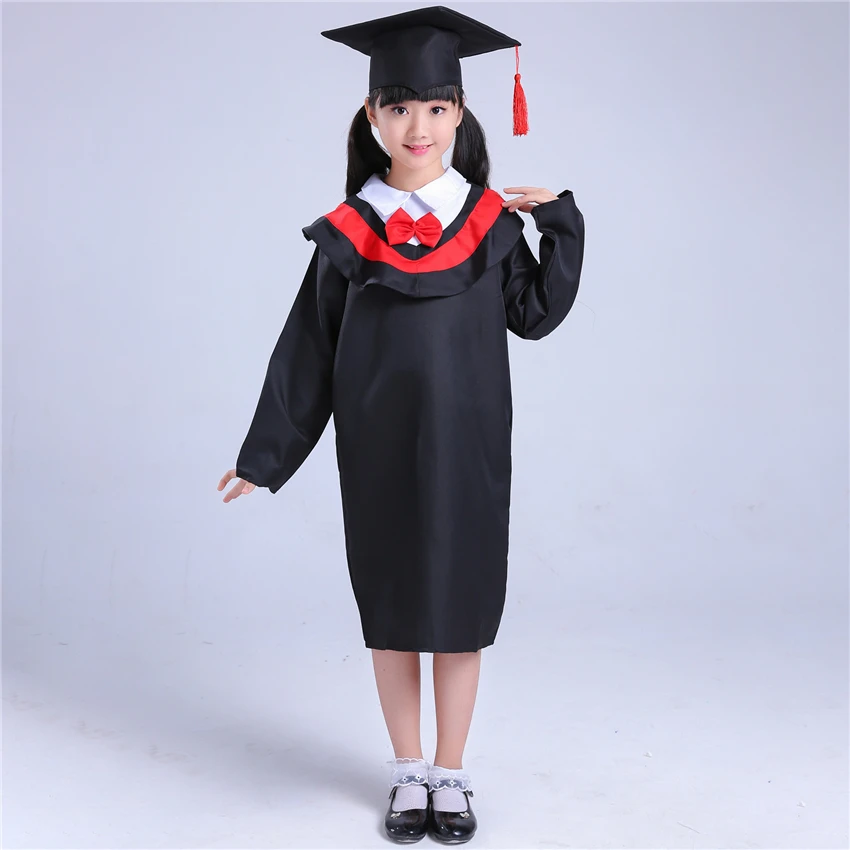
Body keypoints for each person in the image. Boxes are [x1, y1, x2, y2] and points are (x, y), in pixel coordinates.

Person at [216, 5, 585, 844]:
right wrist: (264, 455)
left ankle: (451, 775)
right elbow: (307, 350)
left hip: (469, 446)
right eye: (400, 106)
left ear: (460, 113)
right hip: (377, 447)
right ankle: (407, 771)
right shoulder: (349, 234)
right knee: (391, 611)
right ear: (372, 115)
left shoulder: (489, 224)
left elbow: (533, 314)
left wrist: (560, 223)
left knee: (459, 607)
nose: (419, 126)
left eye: (436, 107)